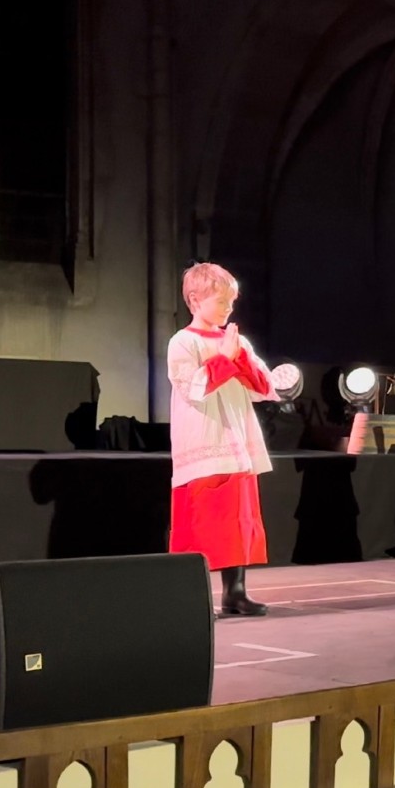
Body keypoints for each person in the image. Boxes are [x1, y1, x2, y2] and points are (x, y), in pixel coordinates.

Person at [167, 262, 278, 616]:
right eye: (220, 301)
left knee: (236, 521)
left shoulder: (237, 341)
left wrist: (239, 357)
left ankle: (236, 592)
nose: (228, 308)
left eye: (231, 301)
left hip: (237, 442)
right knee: (201, 522)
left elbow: (263, 387)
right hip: (204, 440)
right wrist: (225, 359)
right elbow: (193, 388)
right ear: (194, 300)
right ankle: (192, 598)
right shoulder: (183, 342)